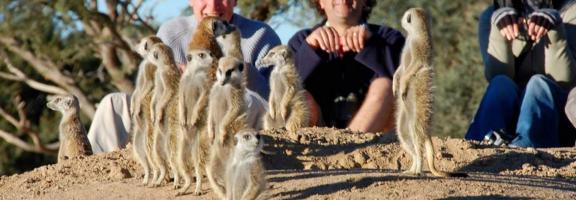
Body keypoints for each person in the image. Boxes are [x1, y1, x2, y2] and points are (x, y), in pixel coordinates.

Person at [87, 0, 281, 153]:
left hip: (231, 123)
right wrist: (171, 75)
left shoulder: (261, 36)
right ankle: (89, 176)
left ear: (235, 0)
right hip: (178, 121)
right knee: (113, 103)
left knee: (245, 100)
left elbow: (273, 104)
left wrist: (238, 72)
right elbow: (152, 95)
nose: (213, 6)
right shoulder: (171, 33)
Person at [466, 0, 576, 147]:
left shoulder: (571, 11)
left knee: (538, 84)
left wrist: (555, 30)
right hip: (510, 113)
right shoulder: (491, 15)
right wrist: (499, 33)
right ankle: (479, 147)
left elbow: (563, 80)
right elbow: (496, 75)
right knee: (500, 84)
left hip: (555, 116)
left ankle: (526, 148)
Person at [288, 0, 404, 133]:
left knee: (384, 85)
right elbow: (284, 89)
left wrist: (372, 45)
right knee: (299, 94)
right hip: (316, 138)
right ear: (320, 2)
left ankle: (351, 148)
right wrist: (309, 50)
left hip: (372, 139)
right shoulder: (302, 40)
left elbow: (408, 82)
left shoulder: (388, 38)